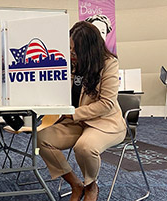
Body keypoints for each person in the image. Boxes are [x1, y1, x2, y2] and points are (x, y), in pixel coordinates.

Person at [37, 21, 126, 201]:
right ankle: (75, 184)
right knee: (41, 138)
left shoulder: (109, 63)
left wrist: (73, 114)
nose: (71, 54)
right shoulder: (70, 63)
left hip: (104, 122)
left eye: (75, 50)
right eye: (70, 49)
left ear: (88, 50)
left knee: (85, 147)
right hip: (75, 123)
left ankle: (91, 186)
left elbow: (106, 104)